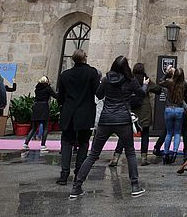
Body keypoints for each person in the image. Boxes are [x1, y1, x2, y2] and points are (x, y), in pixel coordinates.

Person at [70, 55, 147, 199]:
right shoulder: (130, 81)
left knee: (93, 154)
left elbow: (99, 95)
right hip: (123, 120)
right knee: (130, 153)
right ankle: (135, 186)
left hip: (106, 120)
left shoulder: (106, 80)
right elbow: (141, 94)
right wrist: (144, 85)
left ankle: (76, 186)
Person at [56, 49, 99, 186]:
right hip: (85, 112)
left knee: (66, 143)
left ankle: (64, 174)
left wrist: (63, 106)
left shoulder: (65, 75)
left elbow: (60, 97)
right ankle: (78, 173)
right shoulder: (91, 72)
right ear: (85, 58)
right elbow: (97, 92)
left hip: (69, 112)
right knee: (83, 143)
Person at [109, 63, 160, 167]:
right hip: (144, 110)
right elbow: (158, 90)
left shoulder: (130, 80)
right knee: (145, 134)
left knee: (124, 135)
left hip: (131, 110)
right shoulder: (146, 81)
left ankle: (115, 157)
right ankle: (144, 158)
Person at [22, 76, 57, 152]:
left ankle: (25, 143)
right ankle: (43, 145)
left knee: (34, 128)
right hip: (44, 107)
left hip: (36, 107)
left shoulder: (37, 89)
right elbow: (55, 95)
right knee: (45, 128)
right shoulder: (48, 88)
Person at [159, 67, 186, 164]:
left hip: (169, 108)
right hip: (179, 109)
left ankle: (166, 153)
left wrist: (167, 73)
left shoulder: (169, 83)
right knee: (177, 133)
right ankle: (174, 152)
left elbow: (160, 82)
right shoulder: (184, 84)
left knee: (169, 133)